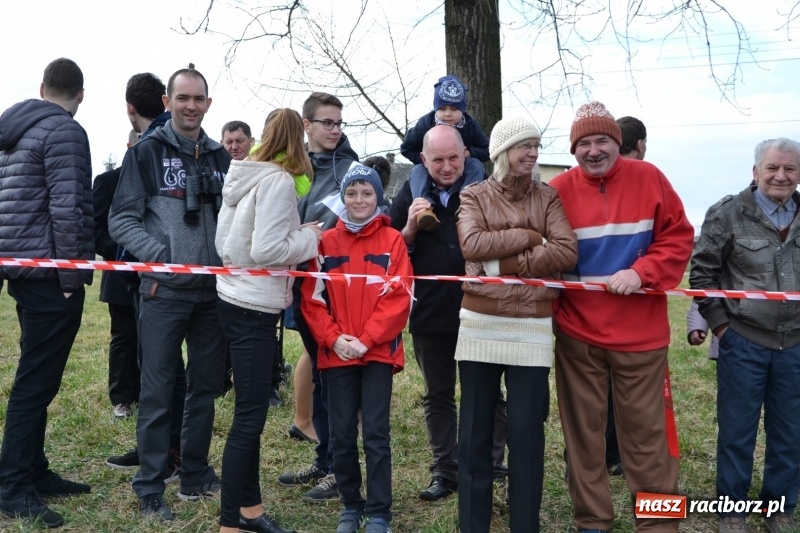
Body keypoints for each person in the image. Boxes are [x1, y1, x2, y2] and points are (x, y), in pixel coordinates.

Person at [549, 101, 694, 533]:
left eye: (602, 141)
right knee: (584, 437)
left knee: (648, 439)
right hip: (578, 335)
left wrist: (641, 271)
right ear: (574, 149)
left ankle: (659, 525)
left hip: (641, 337)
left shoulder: (651, 179)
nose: (594, 150)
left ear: (619, 143)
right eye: (584, 143)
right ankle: (592, 522)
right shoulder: (556, 189)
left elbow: (678, 236)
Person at [109, 67, 231, 521]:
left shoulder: (222, 158)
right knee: (158, 392)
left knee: (205, 388)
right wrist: (160, 255)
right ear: (167, 100)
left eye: (198, 98)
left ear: (208, 103)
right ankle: (150, 486)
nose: (190, 106)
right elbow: (120, 219)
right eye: (182, 98)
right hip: (163, 292)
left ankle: (195, 473)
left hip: (213, 295)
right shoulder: (146, 154)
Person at [455, 117, 577, 532]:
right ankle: (473, 525)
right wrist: (528, 234)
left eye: (537, 145)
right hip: (479, 324)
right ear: (502, 152)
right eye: (525, 145)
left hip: (531, 325)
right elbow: (471, 245)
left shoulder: (549, 197)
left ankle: (525, 526)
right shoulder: (473, 195)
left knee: (527, 433)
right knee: (474, 432)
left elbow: (566, 250)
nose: (533, 153)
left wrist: (501, 265)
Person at [389, 125, 508, 502]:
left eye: (453, 158)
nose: (446, 166)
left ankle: (492, 467)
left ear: (466, 155)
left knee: (487, 393)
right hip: (429, 311)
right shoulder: (409, 190)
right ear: (423, 159)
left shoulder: (487, 190)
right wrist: (408, 225)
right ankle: (446, 471)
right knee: (437, 396)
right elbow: (390, 249)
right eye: (437, 159)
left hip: (480, 308)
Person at [216, 108, 321, 533]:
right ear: (299, 139)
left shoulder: (244, 174)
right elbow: (267, 249)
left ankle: (251, 510)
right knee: (249, 419)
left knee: (249, 414)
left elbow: (226, 241)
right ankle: (230, 523)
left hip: (233, 296)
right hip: (254, 306)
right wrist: (309, 236)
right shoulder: (277, 180)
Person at [0, 57, 94, 529]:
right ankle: (13, 485)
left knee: (36, 376)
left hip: (21, 267)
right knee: (36, 383)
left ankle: (33, 469)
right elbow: (69, 207)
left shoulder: (14, 131)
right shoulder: (64, 132)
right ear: (79, 95)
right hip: (49, 273)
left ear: (42, 87)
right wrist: (71, 278)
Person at [690, 138, 800, 533]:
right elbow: (702, 276)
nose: (781, 176)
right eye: (772, 168)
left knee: (791, 433)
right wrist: (723, 327)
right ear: (756, 171)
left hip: (796, 345)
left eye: (790, 168)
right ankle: (731, 511)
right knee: (737, 433)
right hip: (744, 341)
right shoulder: (728, 213)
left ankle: (779, 510)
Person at [302, 164, 413, 533]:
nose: (360, 200)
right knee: (343, 432)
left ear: (378, 197)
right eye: (352, 193)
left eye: (367, 193)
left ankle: (380, 511)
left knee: (377, 434)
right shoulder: (325, 243)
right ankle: (351, 505)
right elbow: (311, 300)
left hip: (378, 352)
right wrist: (335, 339)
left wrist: (366, 340)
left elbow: (400, 298)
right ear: (343, 198)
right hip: (337, 354)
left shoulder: (393, 241)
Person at [278, 92, 359, 503]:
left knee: (336, 380)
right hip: (300, 288)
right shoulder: (290, 168)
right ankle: (325, 457)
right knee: (322, 376)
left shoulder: (350, 170)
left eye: (339, 123)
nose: (335, 129)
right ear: (306, 125)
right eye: (327, 122)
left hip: (339, 291)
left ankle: (340, 471)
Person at [104, 72, 184, 484]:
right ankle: (153, 445)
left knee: (163, 370)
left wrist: (157, 254)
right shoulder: (154, 144)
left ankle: (171, 451)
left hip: (162, 278)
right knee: (152, 365)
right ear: (165, 100)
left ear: (129, 106)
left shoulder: (155, 146)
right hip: (145, 274)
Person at [93, 129, 142, 420]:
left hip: (157, 278)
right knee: (124, 337)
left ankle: (148, 392)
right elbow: (96, 232)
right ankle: (122, 397)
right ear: (129, 146)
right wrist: (124, 254)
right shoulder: (107, 182)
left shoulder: (157, 184)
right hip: (119, 276)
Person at [399, 75, 489, 231]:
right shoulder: (425, 124)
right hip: (430, 165)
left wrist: (469, 154)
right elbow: (406, 148)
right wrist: (428, 162)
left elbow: (487, 149)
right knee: (417, 172)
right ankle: (424, 208)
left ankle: (467, 202)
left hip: (463, 163)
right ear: (435, 109)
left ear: (463, 110)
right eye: (442, 109)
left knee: (476, 165)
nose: (448, 114)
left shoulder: (470, 125)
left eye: (454, 109)